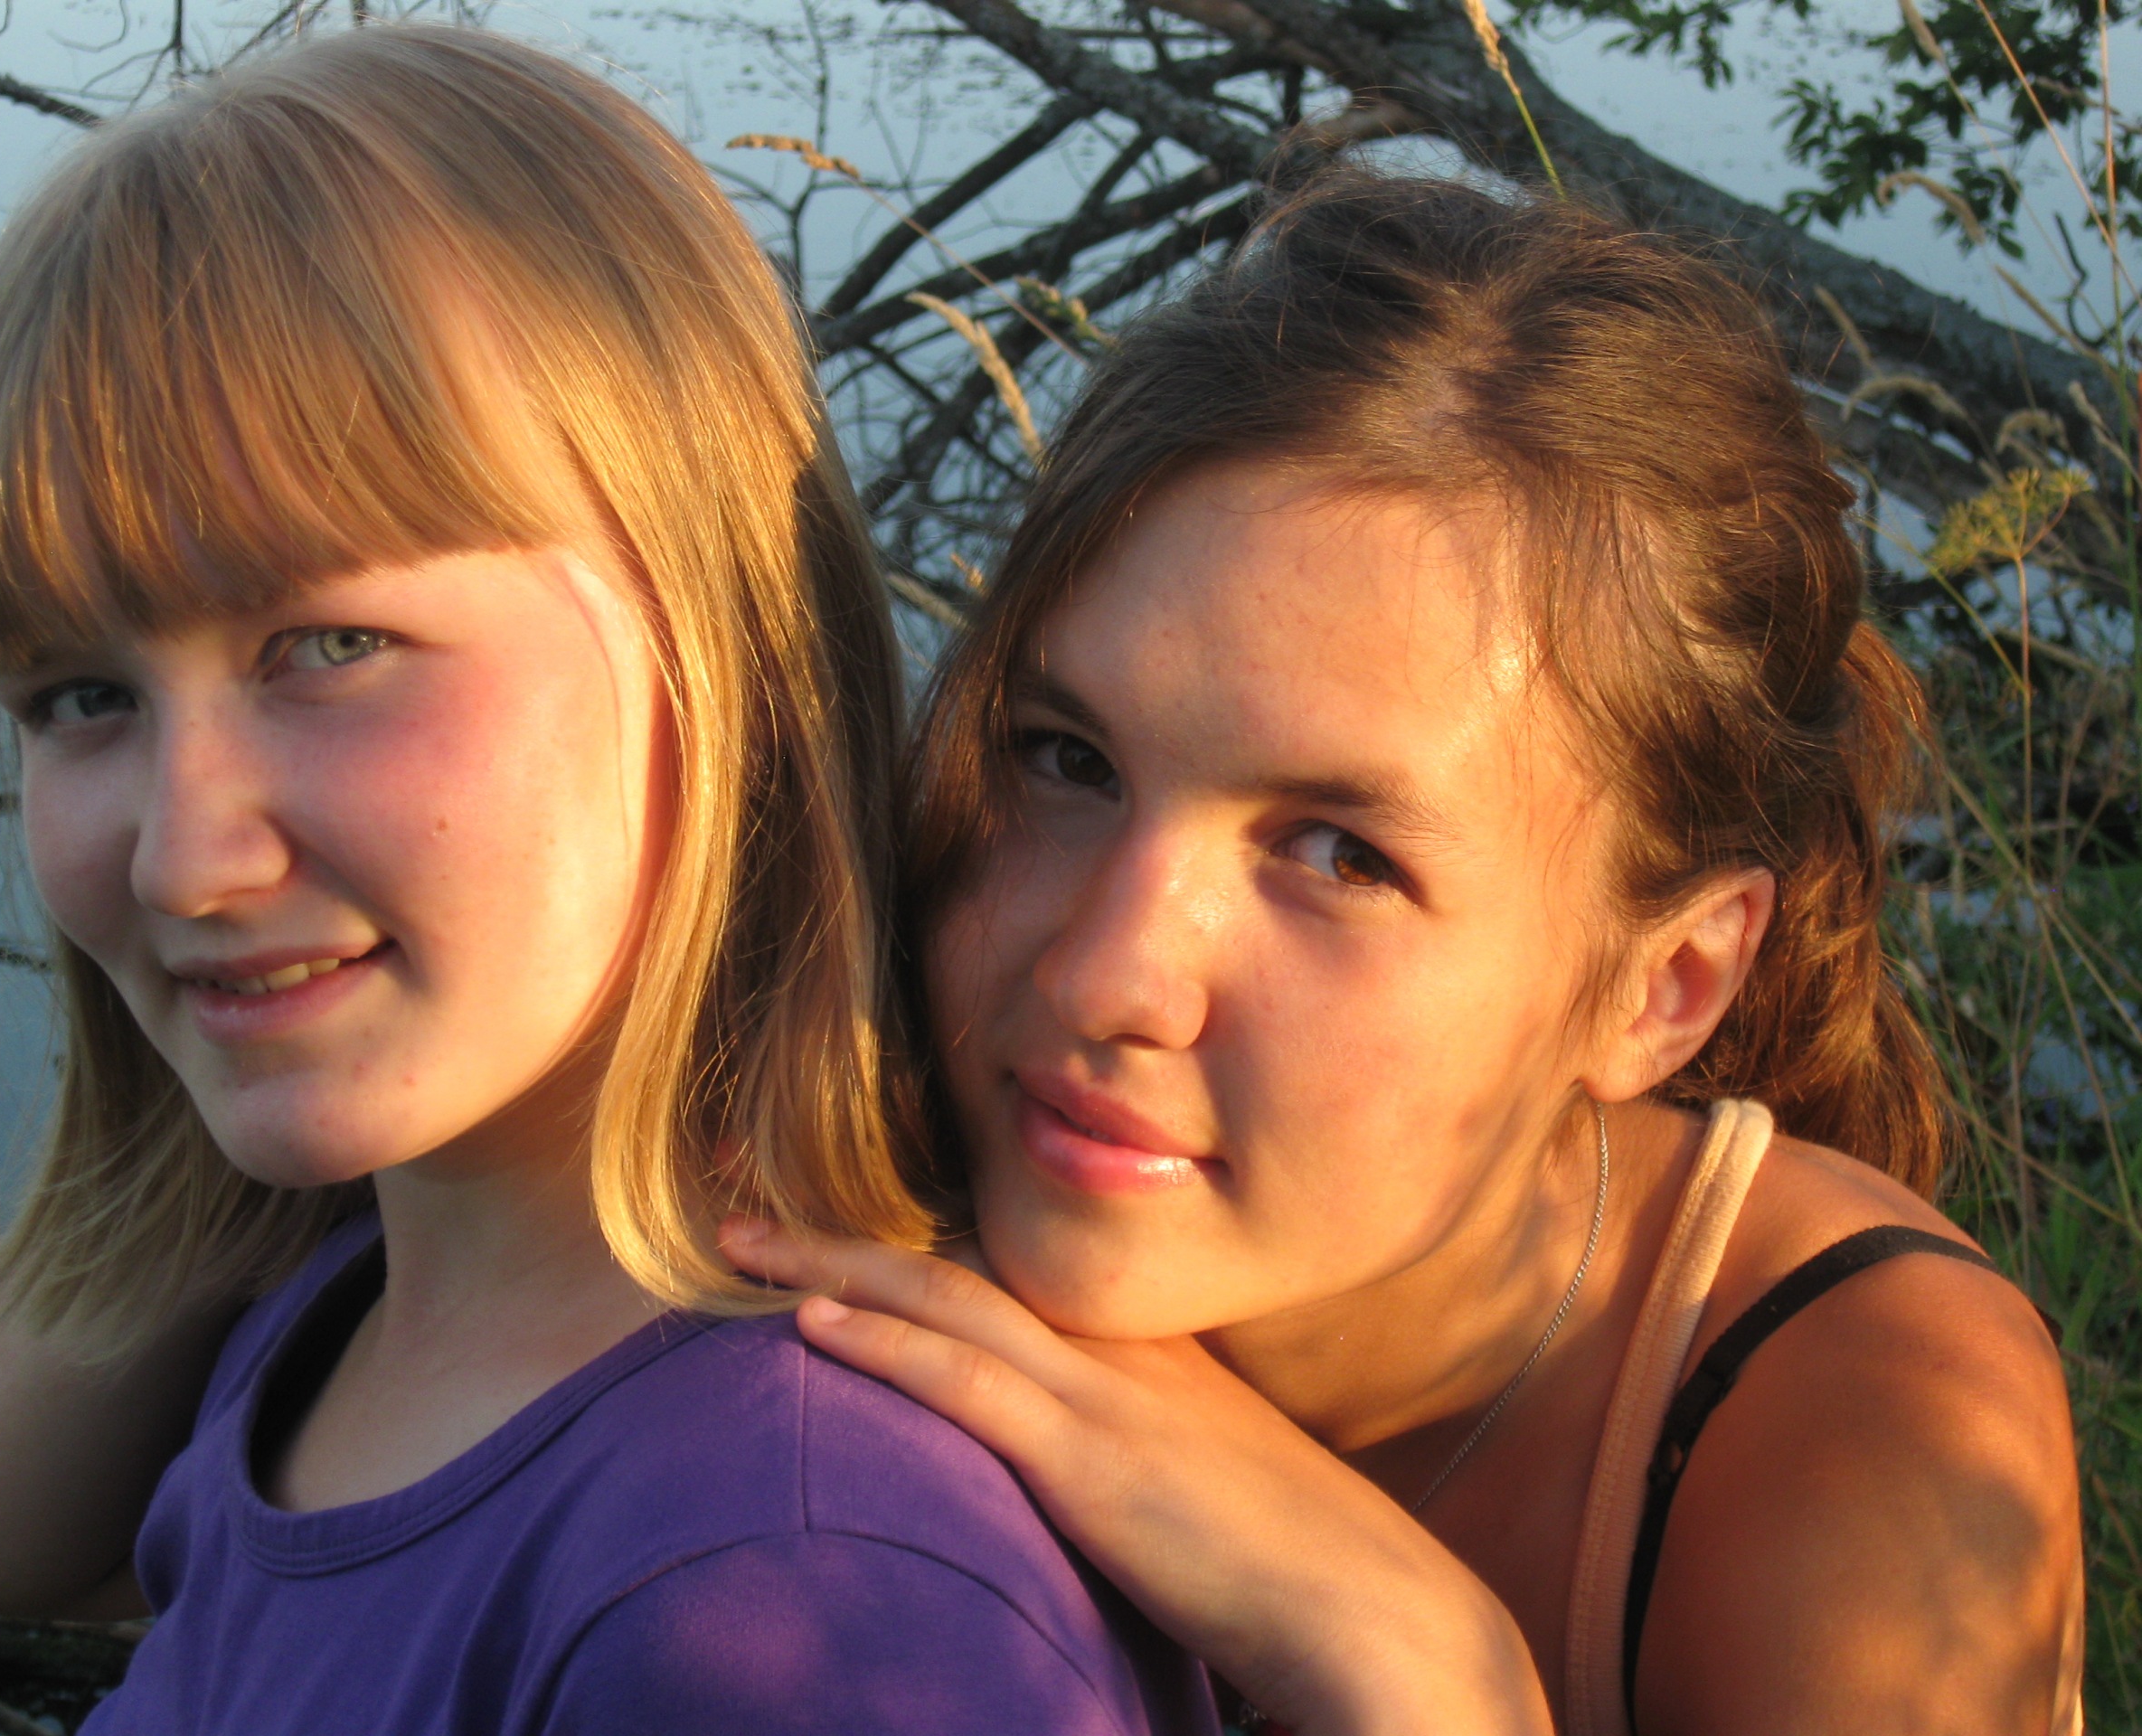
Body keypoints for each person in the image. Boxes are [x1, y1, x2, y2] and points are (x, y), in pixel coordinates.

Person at [0, 25, 1213, 1736]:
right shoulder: (347, 1311)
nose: (186, 859)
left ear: (720, 644)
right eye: (79, 698)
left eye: (332, 645)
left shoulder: (800, 1595)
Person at [721, 173, 2087, 1735]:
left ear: (1664, 990)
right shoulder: (805, 1152)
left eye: (1341, 856)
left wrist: (1430, 1678)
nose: (1107, 976)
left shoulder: (1870, 1430)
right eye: (1067, 758)